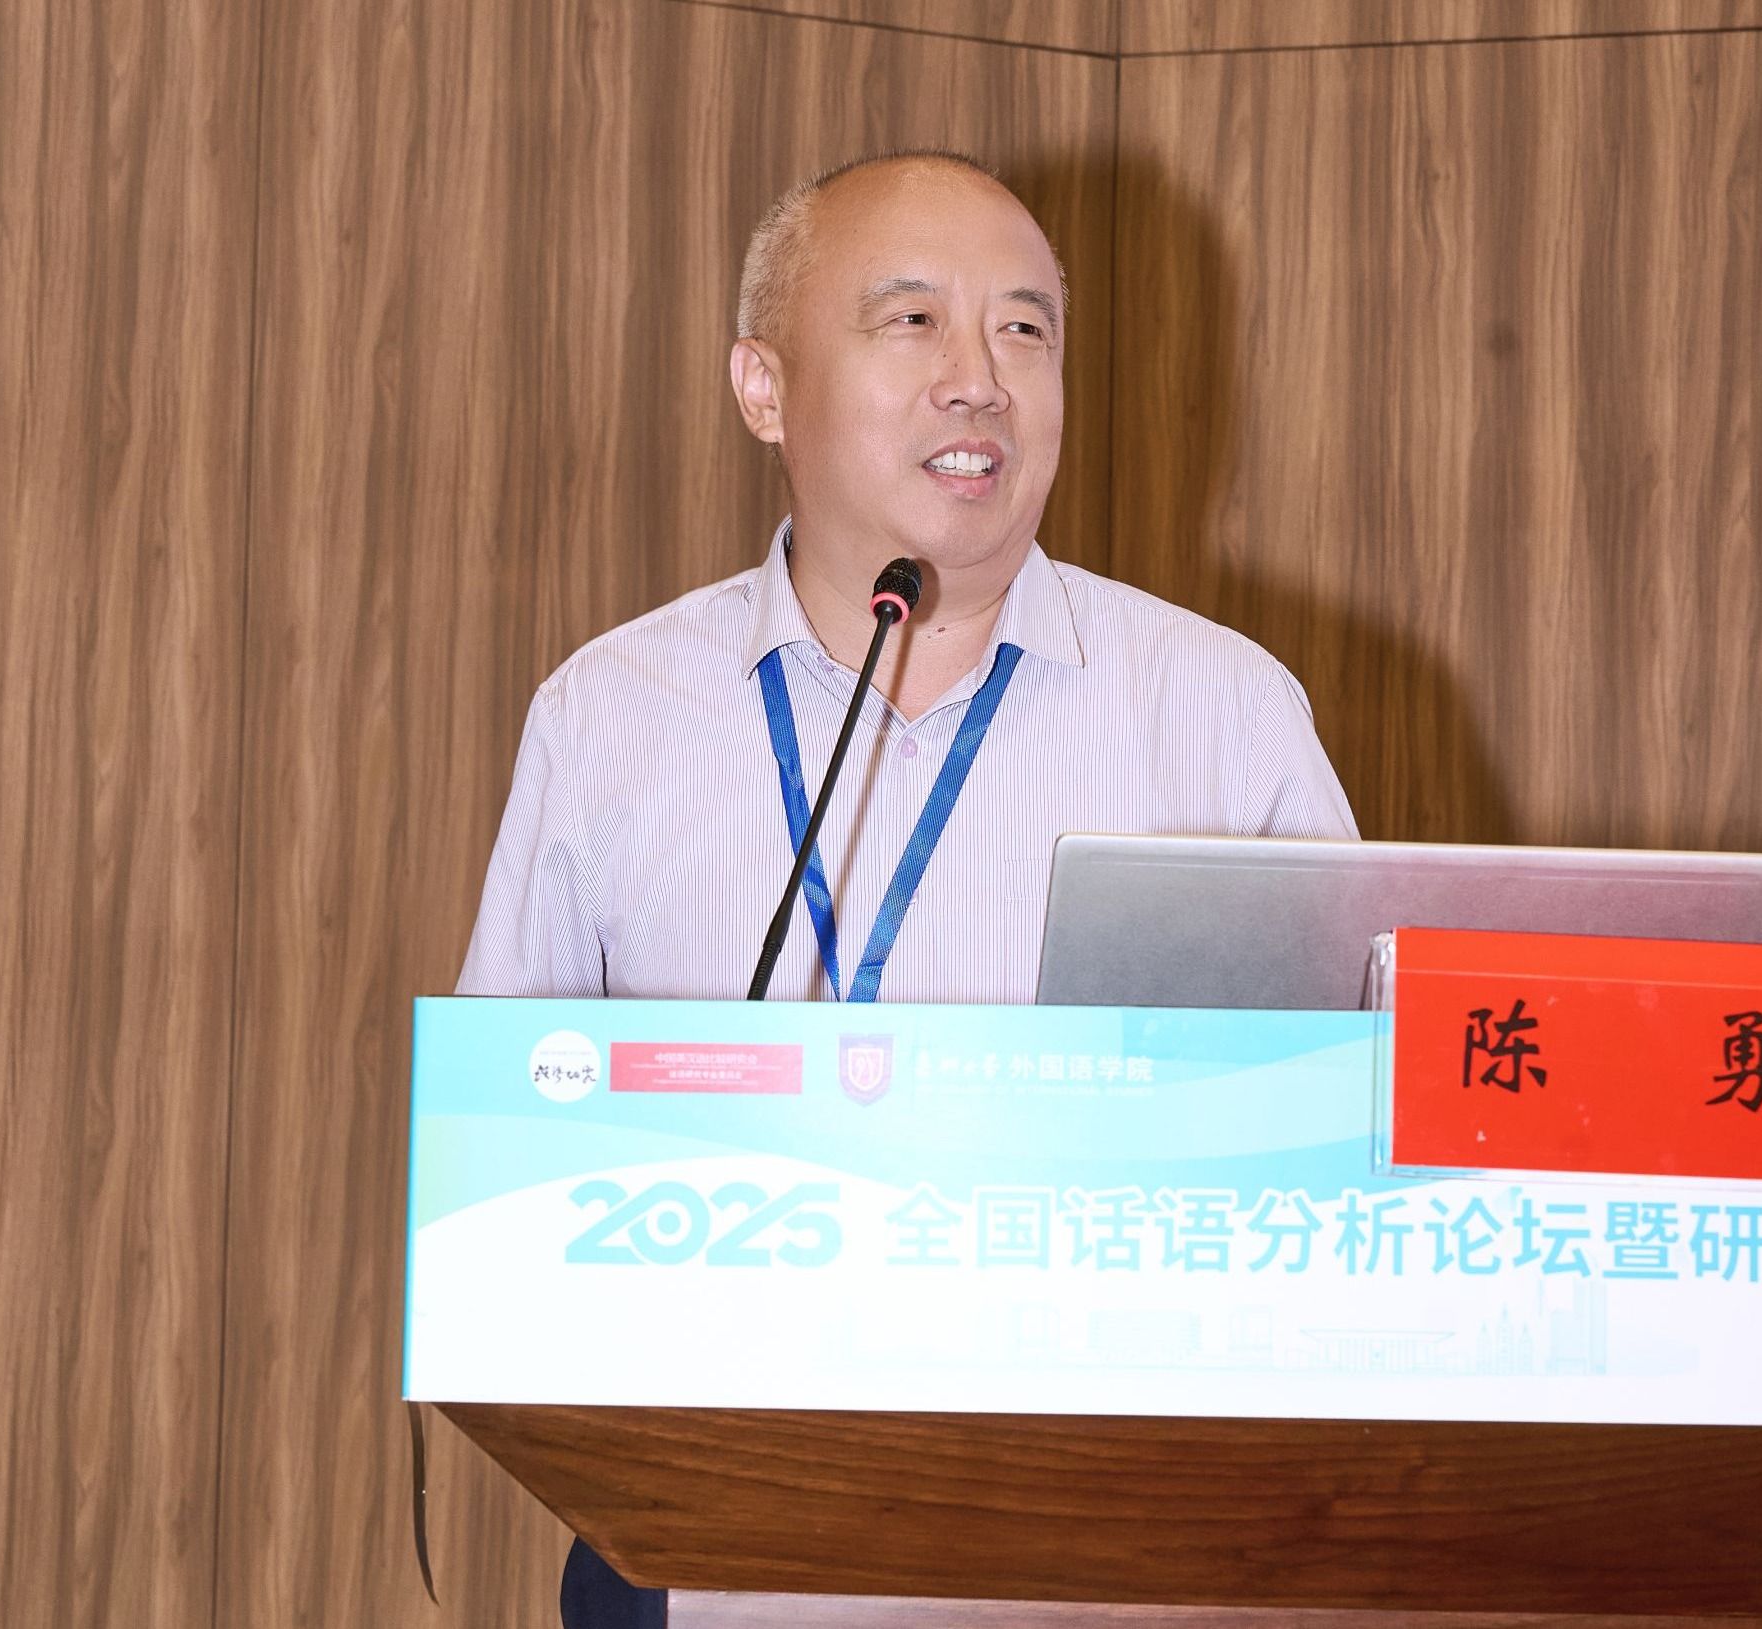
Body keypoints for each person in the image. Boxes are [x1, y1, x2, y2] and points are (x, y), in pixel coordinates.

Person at [454, 149, 1357, 1627]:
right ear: (764, 387)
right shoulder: (610, 718)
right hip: (728, 1542)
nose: (980, 380)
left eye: (1024, 330)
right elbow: (503, 1169)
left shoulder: (1223, 715)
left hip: (1128, 1557)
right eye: (914, 320)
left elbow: (1351, 1149)